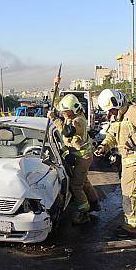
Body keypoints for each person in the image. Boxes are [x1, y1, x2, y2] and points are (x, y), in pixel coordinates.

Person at [95, 89, 136, 237]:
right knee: (132, 194)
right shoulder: (116, 117)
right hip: (128, 161)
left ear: (118, 103)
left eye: (111, 110)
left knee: (130, 194)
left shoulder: (134, 111)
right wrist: (104, 146)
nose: (110, 114)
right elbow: (111, 136)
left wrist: (134, 140)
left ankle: (131, 227)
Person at [47, 80, 100, 224]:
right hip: (79, 155)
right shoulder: (70, 116)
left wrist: (55, 120)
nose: (64, 114)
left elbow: (67, 132)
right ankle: (94, 203)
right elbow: (59, 103)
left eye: (66, 111)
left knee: (76, 186)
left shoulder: (79, 121)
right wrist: (55, 86)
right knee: (83, 182)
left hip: (83, 156)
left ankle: (84, 213)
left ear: (73, 109)